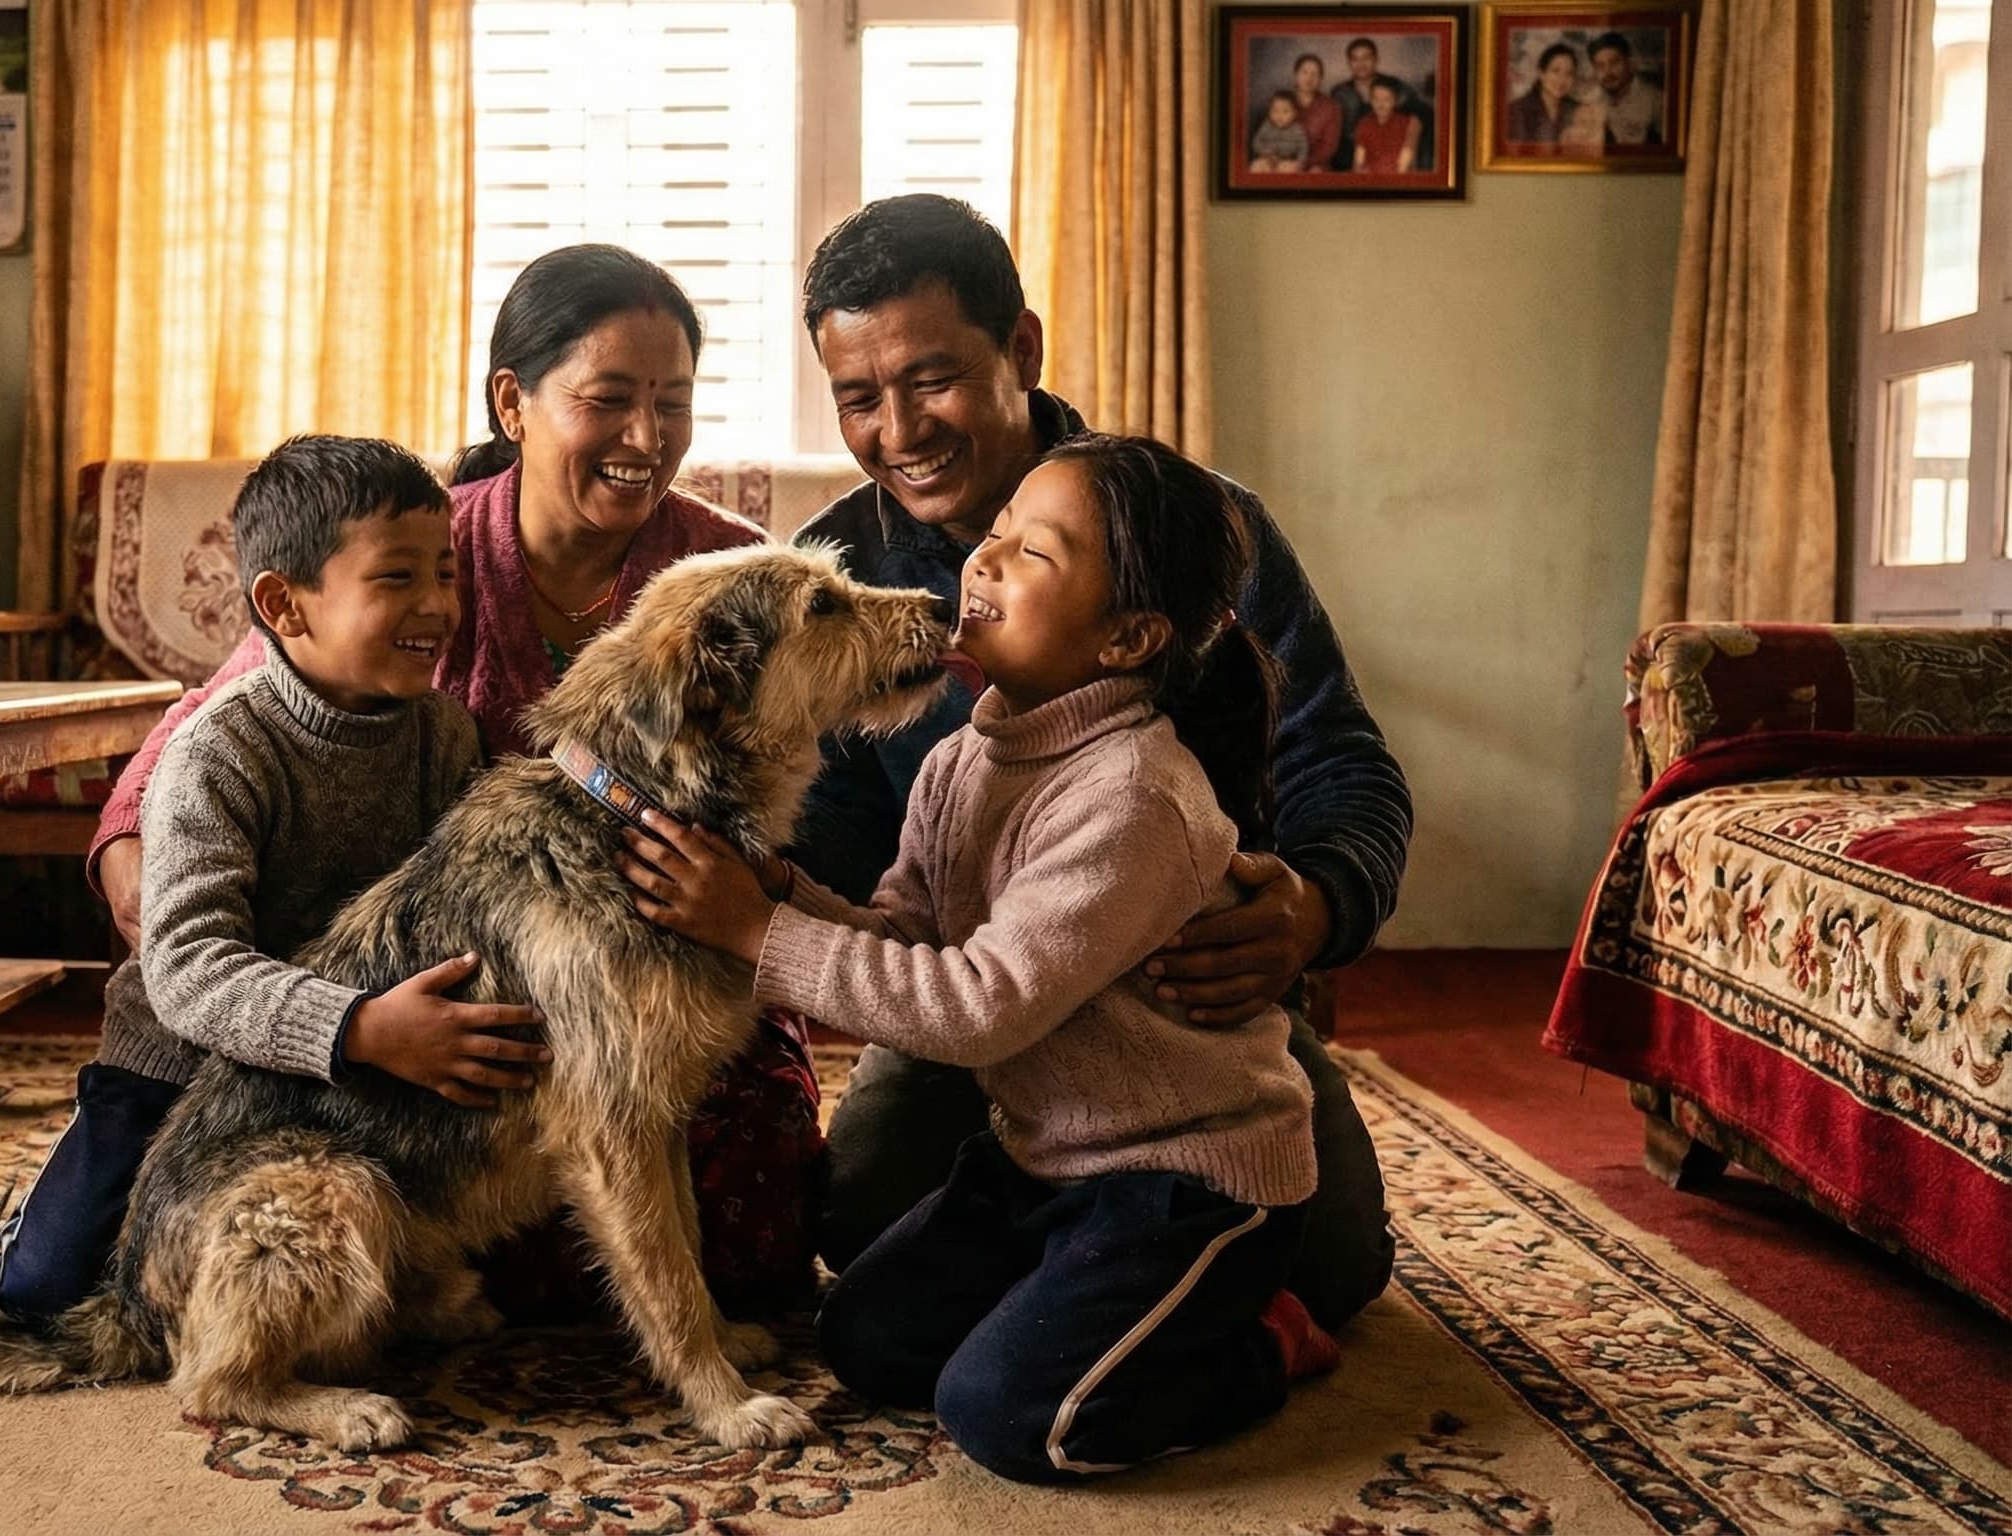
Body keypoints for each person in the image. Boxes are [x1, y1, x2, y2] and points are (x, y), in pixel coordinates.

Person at [87, 245, 825, 1314]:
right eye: (607, 400)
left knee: (755, 1238)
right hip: (466, 1004)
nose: (646, 437)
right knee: (113, 1269)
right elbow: (238, 700)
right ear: (513, 404)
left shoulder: (722, 577)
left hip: (672, 974)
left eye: (673, 402)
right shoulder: (425, 553)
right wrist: (128, 842)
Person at [620, 433, 1343, 1482]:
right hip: (1041, 1156)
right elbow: (914, 948)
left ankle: (1262, 1337)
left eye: (1031, 554)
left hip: (1183, 1180)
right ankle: (1081, 1291)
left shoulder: (1132, 796)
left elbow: (976, 1010)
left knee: (1016, 1419)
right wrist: (789, 895)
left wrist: (754, 933)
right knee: (863, 1340)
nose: (981, 561)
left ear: (1128, 636)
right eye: (993, 536)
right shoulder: (965, 757)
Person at [787, 195, 1412, 1334]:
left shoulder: (1194, 529)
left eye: (930, 380)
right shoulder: (832, 573)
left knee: (1332, 1267)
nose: (898, 430)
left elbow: (1343, 765)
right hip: (968, 1002)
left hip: (1181, 1026)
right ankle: (1067, 1236)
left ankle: (1118, 1262)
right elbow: (823, 832)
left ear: (1019, 348)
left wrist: (1313, 907)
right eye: (857, 400)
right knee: (854, 1222)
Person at [0, 435, 553, 1322]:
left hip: (357, 1071)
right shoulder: (222, 751)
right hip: (187, 1061)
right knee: (48, 1295)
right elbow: (188, 971)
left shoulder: (443, 736)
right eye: (396, 579)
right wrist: (358, 1026)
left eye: (445, 574)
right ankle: (29, 1226)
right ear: (284, 605)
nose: (438, 606)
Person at [1330, 38, 1432, 170]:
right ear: (1349, 63)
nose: (1361, 64)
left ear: (1376, 60)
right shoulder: (1340, 92)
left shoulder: (1395, 86)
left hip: (1390, 152)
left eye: (1366, 58)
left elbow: (1423, 112)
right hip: (1350, 154)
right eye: (1355, 59)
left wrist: (1413, 131)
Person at [1584, 32, 1664, 147]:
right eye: (1600, 66)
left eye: (1614, 62)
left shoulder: (1656, 101)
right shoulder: (1590, 104)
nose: (1608, 72)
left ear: (1629, 63)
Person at [1507, 43, 1588, 146]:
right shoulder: (1517, 110)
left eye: (1569, 73)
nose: (1562, 80)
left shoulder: (1579, 110)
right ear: (1542, 74)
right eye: (1555, 71)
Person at [1350, 79, 1423, 173]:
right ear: (1370, 100)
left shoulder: (1410, 123)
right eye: (1376, 99)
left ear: (1396, 101)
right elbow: (1358, 163)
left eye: (1387, 99)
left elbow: (1404, 165)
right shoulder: (1364, 124)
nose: (1380, 105)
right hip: (1369, 179)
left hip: (1397, 179)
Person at [1288, 54, 1345, 172]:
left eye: (1315, 74)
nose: (1309, 78)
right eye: (1304, 72)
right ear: (1295, 74)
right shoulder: (1282, 101)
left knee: (1316, 172)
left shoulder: (1332, 107)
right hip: (1284, 161)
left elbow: (1329, 149)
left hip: (1317, 164)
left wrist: (1301, 164)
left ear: (1321, 79)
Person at [1250, 92, 1312, 172]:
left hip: (1286, 160)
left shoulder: (1297, 130)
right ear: (1269, 111)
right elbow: (1256, 141)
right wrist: (1263, 150)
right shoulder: (1267, 126)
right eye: (1275, 111)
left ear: (1294, 114)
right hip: (1267, 158)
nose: (1279, 116)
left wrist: (1299, 162)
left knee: (1287, 169)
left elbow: (1303, 147)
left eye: (1285, 111)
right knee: (1256, 166)